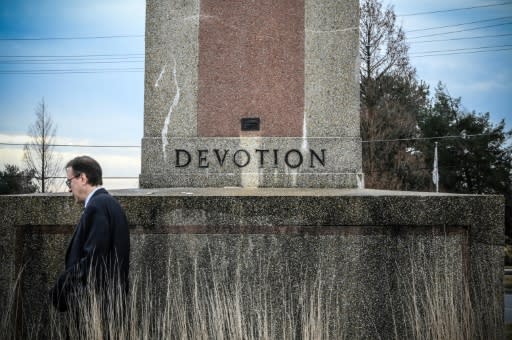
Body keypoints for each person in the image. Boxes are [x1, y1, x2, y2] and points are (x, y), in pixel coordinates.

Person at [50, 156, 130, 315]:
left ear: (83, 178)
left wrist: (61, 288)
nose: (69, 188)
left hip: (95, 306)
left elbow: (93, 260)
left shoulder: (97, 206)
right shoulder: (110, 204)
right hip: (111, 305)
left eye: (69, 181)